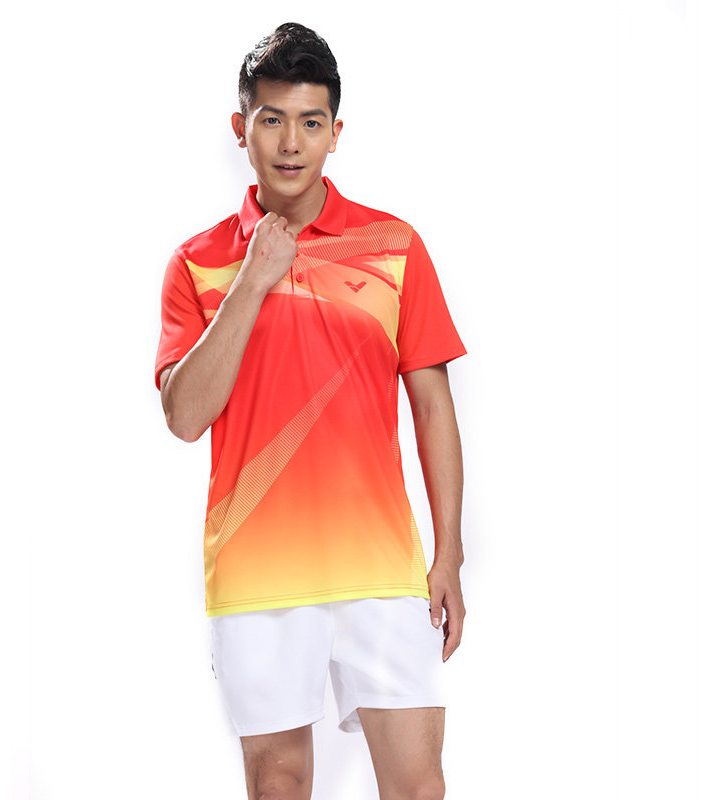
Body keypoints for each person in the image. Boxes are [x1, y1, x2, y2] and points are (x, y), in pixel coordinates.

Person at [154, 22, 467, 800]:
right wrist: (252, 278)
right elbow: (185, 416)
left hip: (381, 565)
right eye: (272, 119)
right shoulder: (198, 263)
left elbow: (433, 407)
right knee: (280, 783)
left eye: (311, 122)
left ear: (336, 132)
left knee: (419, 786)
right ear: (241, 128)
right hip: (258, 571)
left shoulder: (394, 247)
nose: (291, 143)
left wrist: (449, 553)